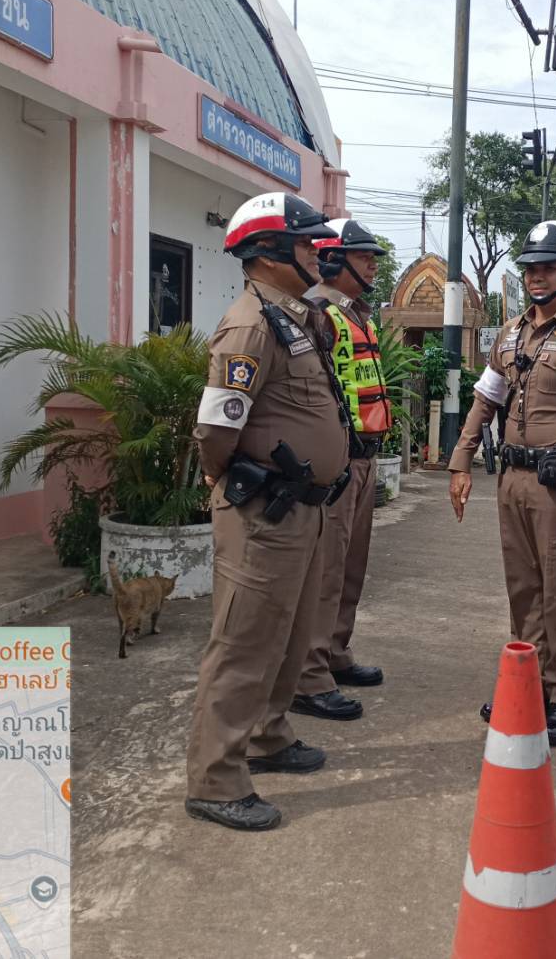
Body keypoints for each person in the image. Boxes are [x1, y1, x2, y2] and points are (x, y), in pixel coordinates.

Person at [184, 191, 351, 832]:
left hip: (302, 508)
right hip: (263, 510)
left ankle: (267, 735)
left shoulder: (296, 319)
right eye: (306, 243)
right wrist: (221, 475)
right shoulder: (250, 325)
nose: (318, 252)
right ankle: (215, 780)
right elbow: (217, 426)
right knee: (244, 642)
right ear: (270, 250)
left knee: (288, 635)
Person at [447, 221, 556, 746]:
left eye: (549, 266)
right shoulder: (510, 333)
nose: (536, 276)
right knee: (523, 591)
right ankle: (530, 685)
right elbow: (486, 399)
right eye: (530, 268)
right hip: (512, 480)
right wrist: (460, 460)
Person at [291, 218, 393, 721]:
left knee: (351, 566)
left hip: (364, 457)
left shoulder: (359, 315)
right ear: (333, 259)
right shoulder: (316, 314)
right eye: (363, 256)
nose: (373, 265)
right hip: (337, 463)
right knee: (327, 570)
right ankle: (308, 676)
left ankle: (334, 651)